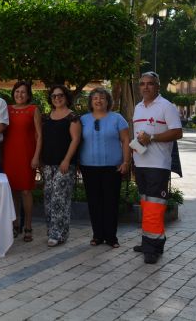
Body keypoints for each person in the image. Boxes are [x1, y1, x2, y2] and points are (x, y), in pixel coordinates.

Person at [132, 71, 183, 264]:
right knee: (147, 204)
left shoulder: (166, 106)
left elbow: (178, 132)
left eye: (150, 84)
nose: (146, 87)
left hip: (158, 165)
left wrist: (152, 138)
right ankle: (151, 241)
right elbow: (138, 135)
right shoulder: (138, 107)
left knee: (154, 206)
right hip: (140, 163)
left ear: (158, 86)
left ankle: (151, 249)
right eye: (142, 84)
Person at [79, 87, 131, 249]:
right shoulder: (83, 120)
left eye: (102, 98)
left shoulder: (117, 118)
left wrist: (126, 162)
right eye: (95, 98)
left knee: (111, 202)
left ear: (108, 101)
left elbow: (125, 140)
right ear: (91, 102)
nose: (98, 100)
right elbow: (77, 142)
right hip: (88, 167)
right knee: (94, 203)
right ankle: (97, 235)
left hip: (112, 168)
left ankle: (111, 237)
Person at [1, 81, 42, 243]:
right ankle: (15, 224)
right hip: (9, 155)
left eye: (23, 92)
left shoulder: (33, 110)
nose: (20, 94)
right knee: (13, 191)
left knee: (26, 191)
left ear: (28, 94)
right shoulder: (7, 109)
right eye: (17, 91)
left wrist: (36, 156)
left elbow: (39, 135)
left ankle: (28, 226)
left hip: (27, 155)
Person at [41, 84, 81, 247]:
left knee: (60, 199)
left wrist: (66, 160)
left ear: (66, 97)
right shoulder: (46, 117)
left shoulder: (73, 117)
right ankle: (55, 232)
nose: (57, 98)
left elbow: (75, 140)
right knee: (49, 198)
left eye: (60, 95)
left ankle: (57, 234)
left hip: (65, 164)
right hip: (48, 164)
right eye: (54, 96)